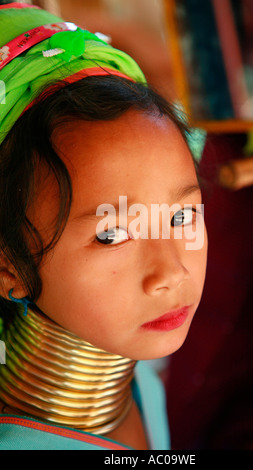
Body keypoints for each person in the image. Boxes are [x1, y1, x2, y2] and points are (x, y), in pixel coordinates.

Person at [0, 2, 207, 450]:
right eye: (112, 234)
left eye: (182, 216)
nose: (171, 272)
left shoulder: (143, 385)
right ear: (8, 265)